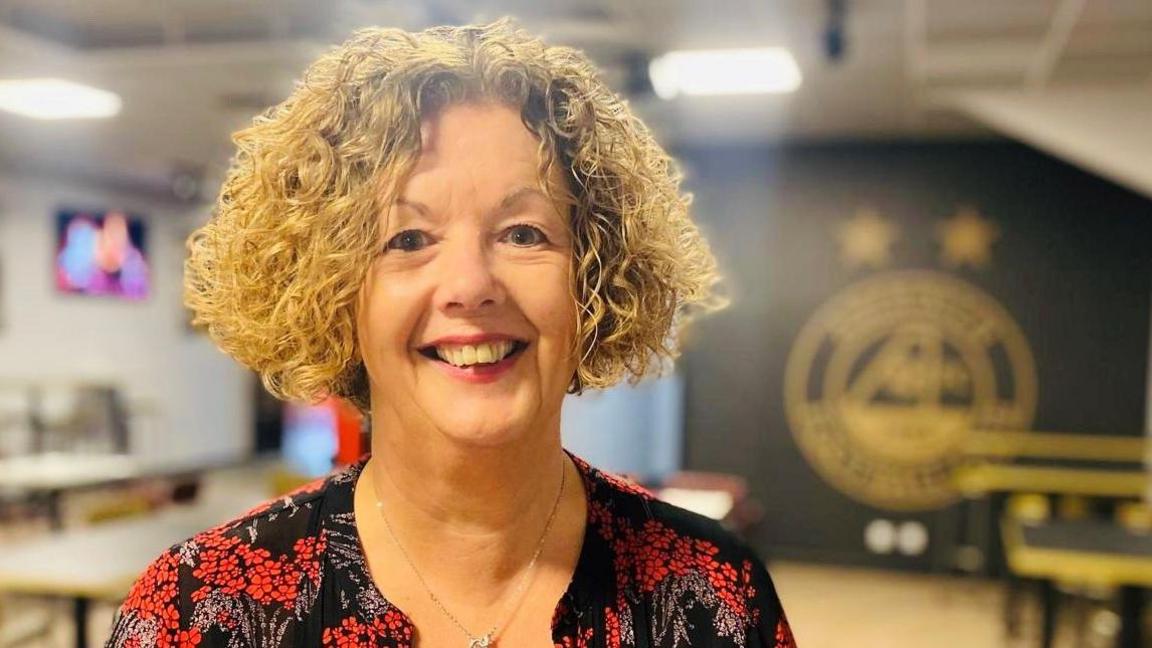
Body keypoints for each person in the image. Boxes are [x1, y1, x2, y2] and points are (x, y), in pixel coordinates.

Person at [107, 18, 797, 648]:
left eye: (523, 233)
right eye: (408, 237)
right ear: (330, 292)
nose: (470, 285)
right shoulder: (196, 611)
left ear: (595, 279)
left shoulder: (716, 595)